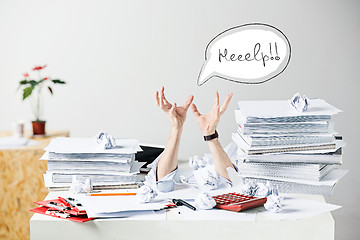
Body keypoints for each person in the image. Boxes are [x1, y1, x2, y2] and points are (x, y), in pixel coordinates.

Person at [146, 86, 234, 192]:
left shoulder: (243, 150)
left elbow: (231, 185)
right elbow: (162, 185)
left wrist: (210, 134)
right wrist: (176, 128)